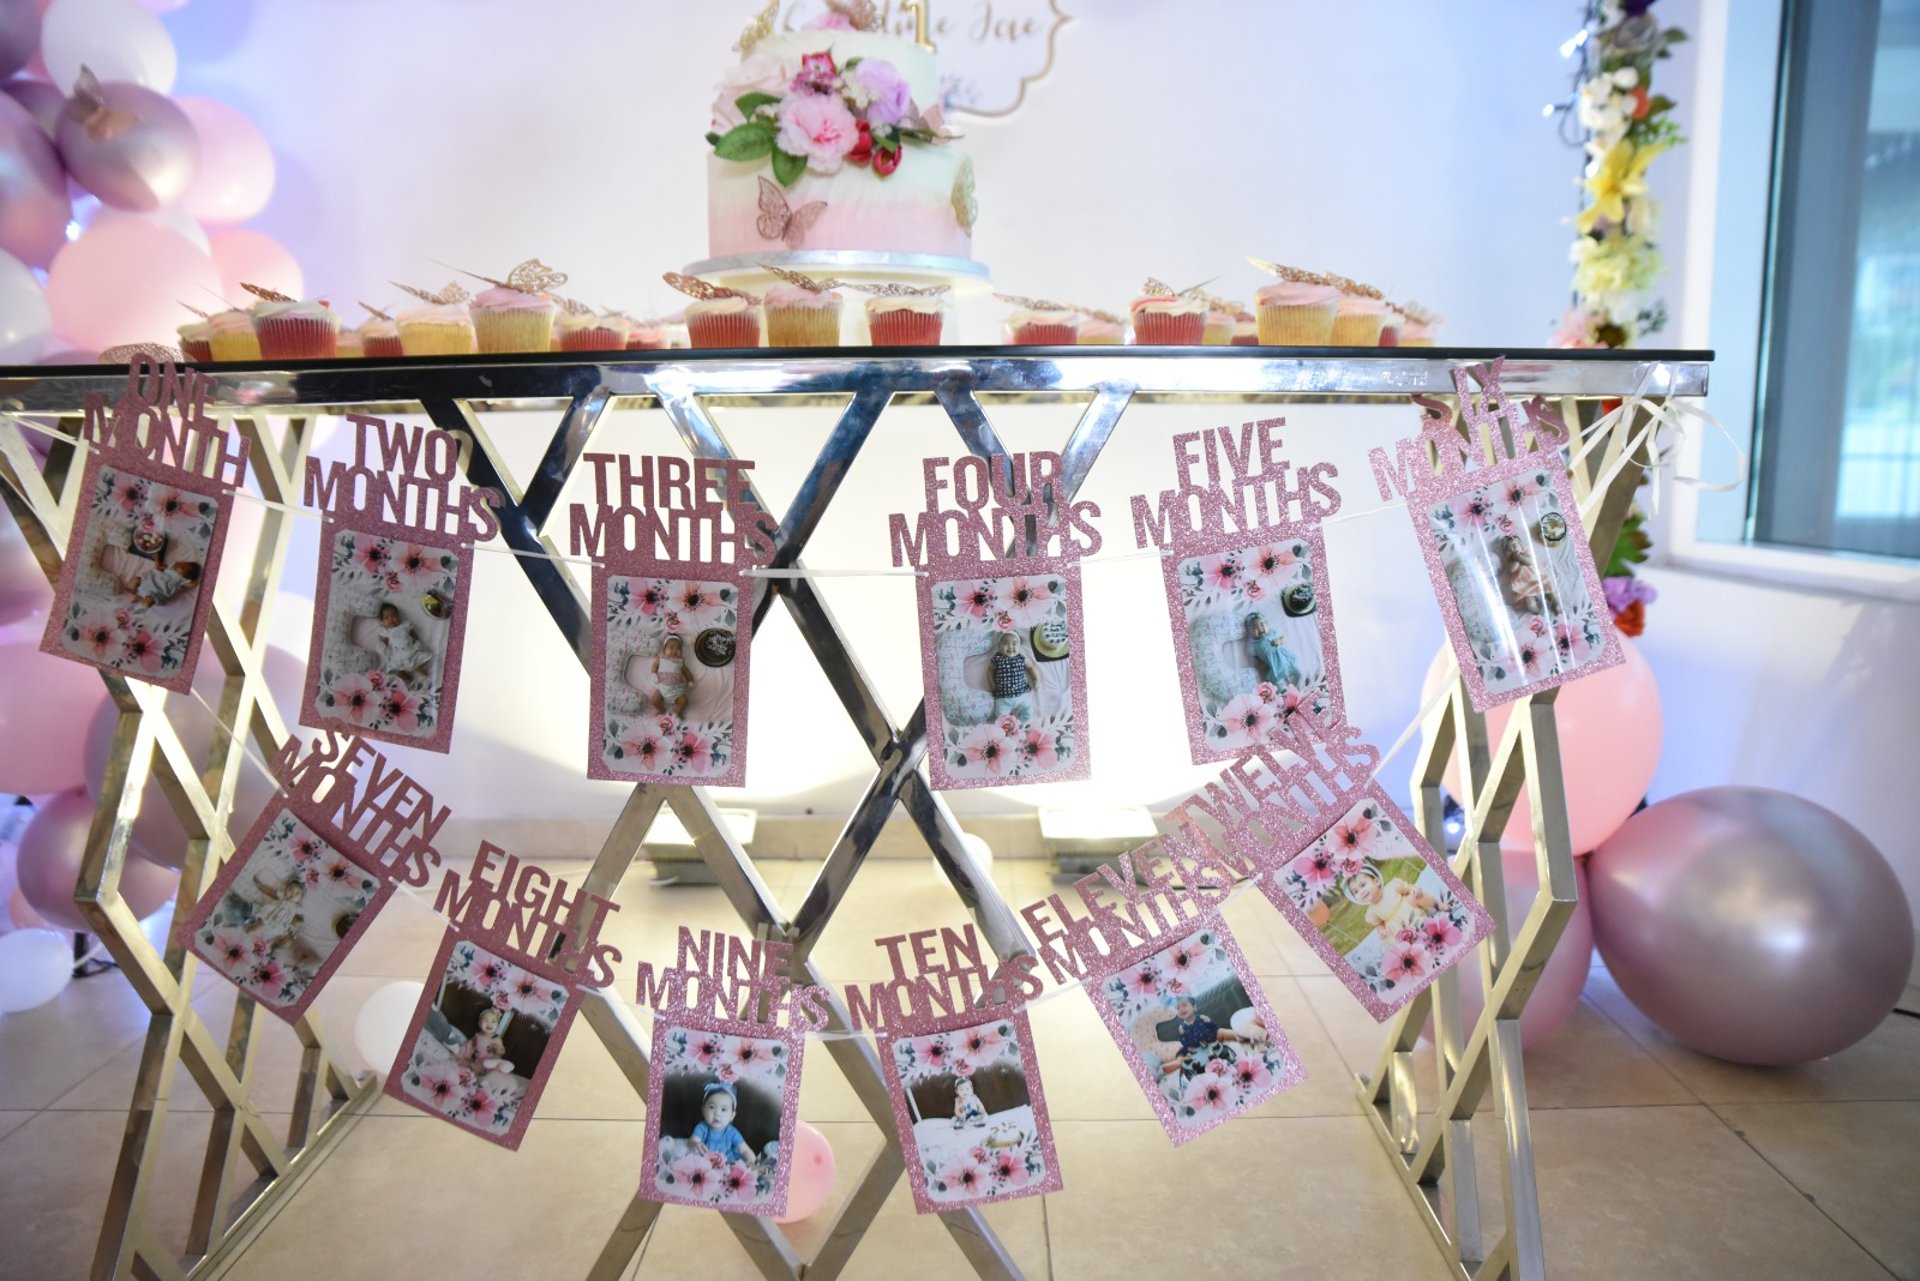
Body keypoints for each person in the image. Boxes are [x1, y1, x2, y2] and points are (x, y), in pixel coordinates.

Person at [1158, 995, 1254, 1074]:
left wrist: (1209, 1021)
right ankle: (1177, 1063)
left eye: (1184, 1005)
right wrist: (1183, 1036)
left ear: (1194, 1007)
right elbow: (1185, 1043)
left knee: (1221, 1032)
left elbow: (1214, 1028)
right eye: (1178, 1008)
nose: (1181, 1009)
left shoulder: (1202, 1018)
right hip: (1195, 1049)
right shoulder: (1182, 1027)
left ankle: (1242, 1036)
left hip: (1211, 1040)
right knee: (1182, 1054)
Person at [243, 872, 318, 970]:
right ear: (286, 889)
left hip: (280, 926)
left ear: (300, 898)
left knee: (286, 942)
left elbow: (300, 919)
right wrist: (260, 885)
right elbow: (269, 891)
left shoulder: (296, 908)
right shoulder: (281, 896)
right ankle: (249, 927)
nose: (292, 894)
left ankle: (272, 948)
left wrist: (296, 922)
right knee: (254, 926)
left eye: (297, 894)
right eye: (290, 890)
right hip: (268, 916)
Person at [1345, 863, 1439, 939]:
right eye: (1356, 891)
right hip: (1399, 926)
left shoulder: (1392, 887)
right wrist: (1381, 930)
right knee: (1396, 938)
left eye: (1363, 885)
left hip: (1410, 906)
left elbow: (1407, 888)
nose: (1361, 892)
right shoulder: (1371, 912)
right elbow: (1379, 923)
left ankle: (1438, 904)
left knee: (1417, 896)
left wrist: (1413, 890)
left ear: (1376, 881)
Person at [690, 1081, 756, 1164]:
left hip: (727, 1162)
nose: (717, 1113)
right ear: (703, 1110)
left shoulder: (732, 1132)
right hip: (705, 1162)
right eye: (712, 1107)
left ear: (732, 1116)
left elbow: (744, 1149)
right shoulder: (702, 1127)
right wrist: (696, 1144)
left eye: (723, 1109)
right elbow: (693, 1140)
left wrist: (751, 1159)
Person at [368, 602, 434, 680]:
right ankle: (407, 678)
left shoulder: (404, 625)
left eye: (393, 616)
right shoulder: (386, 631)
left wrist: (416, 640)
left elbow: (413, 633)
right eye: (387, 618)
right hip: (397, 656)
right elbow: (383, 642)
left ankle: (423, 672)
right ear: (382, 621)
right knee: (397, 671)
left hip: (410, 650)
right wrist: (382, 643)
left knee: (420, 660)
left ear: (398, 616)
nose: (391, 619)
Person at [1497, 535, 1558, 616]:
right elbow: (1512, 570)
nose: (1512, 550)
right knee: (1530, 603)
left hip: (1537, 579)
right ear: (1505, 554)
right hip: (1524, 585)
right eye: (1508, 550)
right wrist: (1515, 559)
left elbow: (1530, 562)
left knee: (1549, 592)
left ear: (1521, 547)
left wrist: (1520, 557)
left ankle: (1556, 604)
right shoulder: (1511, 562)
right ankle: (1535, 609)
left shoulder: (1526, 554)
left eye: (1514, 546)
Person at [986, 631, 1037, 722]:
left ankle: (1020, 725)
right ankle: (1008, 727)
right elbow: (990, 671)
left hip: (1021, 694)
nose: (1010, 646)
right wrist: (991, 683)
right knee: (1000, 718)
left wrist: (1036, 679)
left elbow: (1030, 667)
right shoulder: (997, 659)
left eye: (1014, 643)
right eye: (1005, 643)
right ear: (999, 646)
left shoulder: (1021, 658)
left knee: (1029, 713)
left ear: (1019, 646)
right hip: (1003, 698)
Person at [1245, 614, 1302, 690]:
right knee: (1278, 685)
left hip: (1287, 660)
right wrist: (1260, 664)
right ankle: (1284, 692)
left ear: (1267, 625)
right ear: (1250, 632)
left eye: (1262, 625)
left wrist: (1279, 641)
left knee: (1300, 674)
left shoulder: (1272, 633)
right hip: (1274, 667)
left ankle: (1298, 688)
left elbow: (1284, 638)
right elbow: (1253, 657)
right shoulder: (1254, 645)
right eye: (1255, 627)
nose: (1259, 628)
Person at [453, 1006, 515, 1076]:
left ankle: (501, 1067)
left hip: (490, 1059)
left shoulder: (496, 1038)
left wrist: (497, 1048)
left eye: (493, 1021)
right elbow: (471, 1043)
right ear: (479, 1023)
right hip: (478, 1059)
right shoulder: (478, 1035)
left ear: (497, 1024)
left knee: (492, 1068)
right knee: (472, 1067)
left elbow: (502, 1051)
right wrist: (468, 1052)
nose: (489, 1024)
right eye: (485, 1021)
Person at [126, 559, 202, 608]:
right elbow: (158, 567)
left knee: (148, 603)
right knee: (136, 578)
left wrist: (197, 581)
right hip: (150, 580)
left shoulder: (182, 580)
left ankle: (138, 599)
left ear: (187, 576)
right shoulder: (171, 567)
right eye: (183, 563)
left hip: (156, 591)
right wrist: (158, 558)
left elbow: (192, 585)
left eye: (184, 568)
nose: (181, 565)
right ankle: (131, 589)